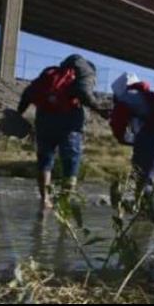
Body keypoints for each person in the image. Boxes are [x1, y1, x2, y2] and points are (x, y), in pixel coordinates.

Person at [16, 54, 108, 208]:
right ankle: (65, 202)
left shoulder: (50, 74)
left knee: (45, 160)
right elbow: (83, 92)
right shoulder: (86, 71)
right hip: (68, 122)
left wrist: (19, 113)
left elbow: (29, 92)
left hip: (44, 120)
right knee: (70, 160)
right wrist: (99, 109)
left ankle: (44, 200)